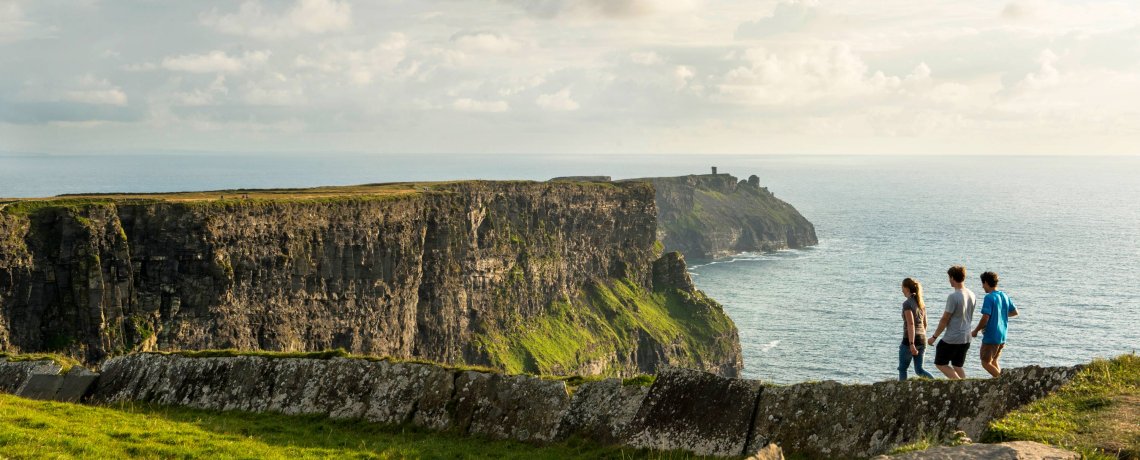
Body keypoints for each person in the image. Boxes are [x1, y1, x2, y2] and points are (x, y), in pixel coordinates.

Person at [928, 265, 976, 379]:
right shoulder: (971, 294)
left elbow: (945, 319)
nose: (949, 280)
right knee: (957, 365)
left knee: (940, 363)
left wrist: (934, 337)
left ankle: (958, 384)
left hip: (953, 337)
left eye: (949, 277)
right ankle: (965, 386)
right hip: (966, 337)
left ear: (953, 278)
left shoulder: (953, 296)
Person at [972, 271, 1019, 377]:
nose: (982, 287)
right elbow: (1015, 312)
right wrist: (1000, 315)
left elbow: (985, 317)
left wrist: (975, 331)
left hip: (991, 336)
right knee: (993, 361)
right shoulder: (1004, 295)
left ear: (986, 282)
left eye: (982, 284)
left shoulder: (989, 297)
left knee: (985, 362)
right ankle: (1003, 380)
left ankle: (1003, 383)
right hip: (1002, 335)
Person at [898, 278, 935, 380]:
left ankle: (902, 388)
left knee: (902, 369)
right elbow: (925, 324)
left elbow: (910, 324)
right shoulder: (921, 303)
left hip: (909, 340)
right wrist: (921, 337)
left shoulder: (907, 304)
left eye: (902, 287)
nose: (901, 290)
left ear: (907, 289)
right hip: (922, 338)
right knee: (919, 370)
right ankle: (935, 383)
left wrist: (911, 344)